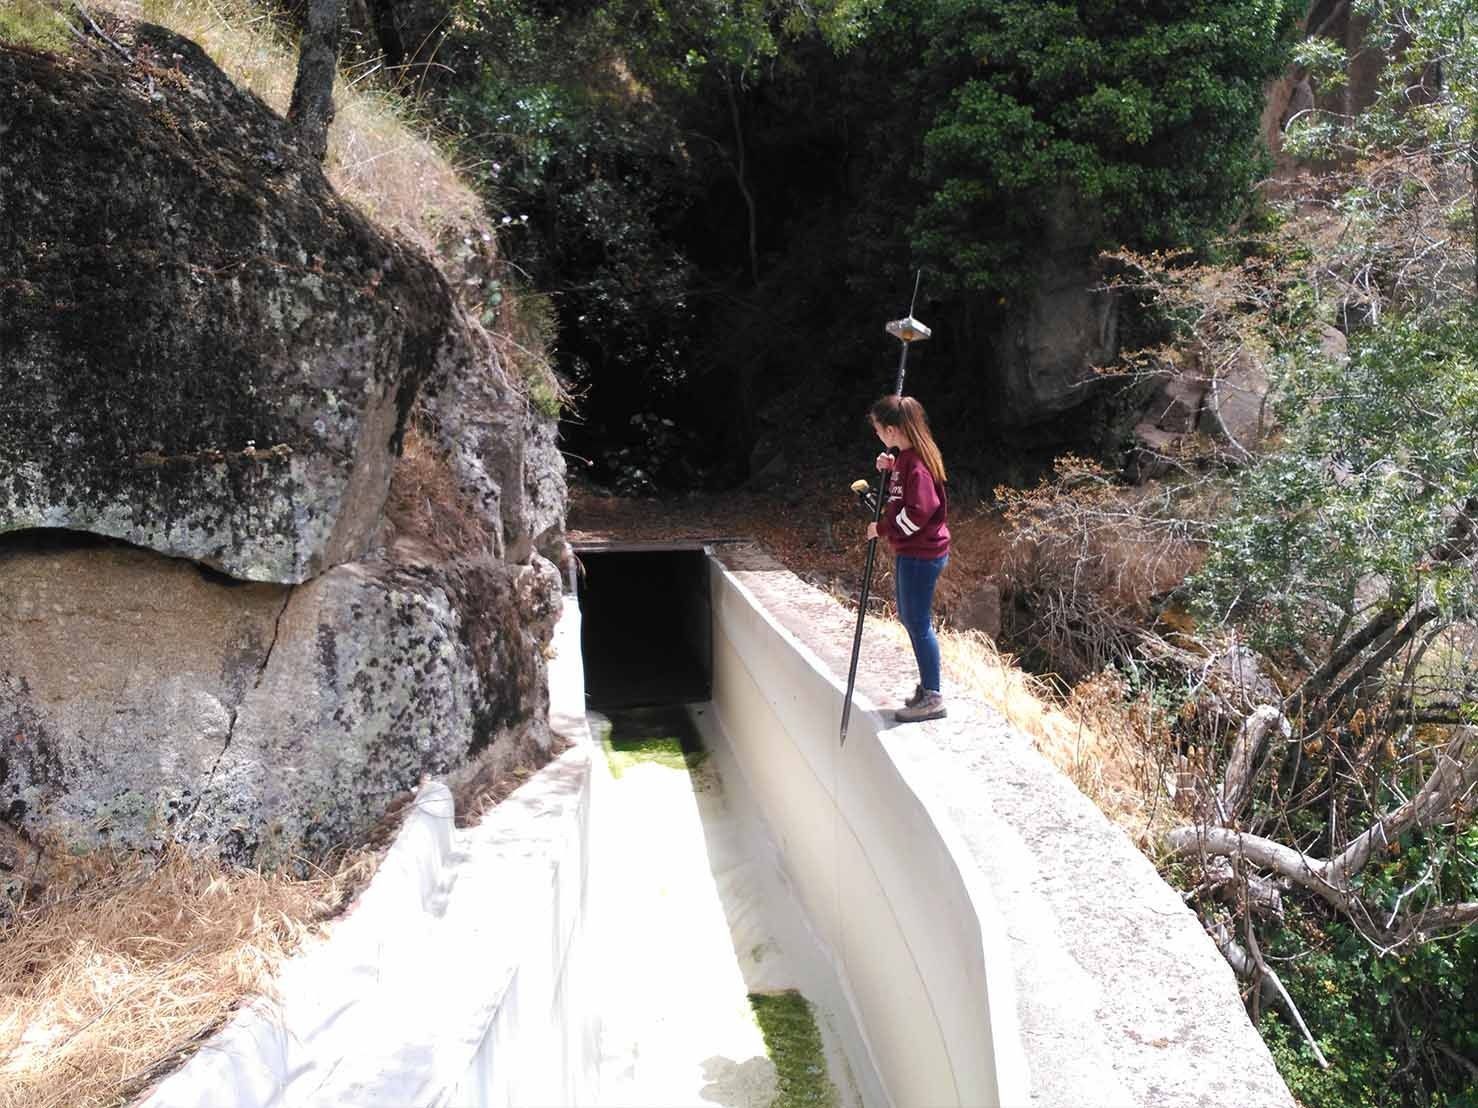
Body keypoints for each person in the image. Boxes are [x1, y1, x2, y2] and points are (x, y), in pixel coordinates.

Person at [865, 395, 950, 723]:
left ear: (891, 429)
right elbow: (903, 494)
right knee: (911, 619)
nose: (877, 436)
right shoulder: (905, 458)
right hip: (913, 553)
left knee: (917, 622)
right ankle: (928, 687)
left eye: (877, 430)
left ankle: (933, 696)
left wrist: (883, 528)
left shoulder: (916, 464)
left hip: (921, 554)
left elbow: (920, 511)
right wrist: (890, 466)